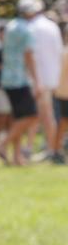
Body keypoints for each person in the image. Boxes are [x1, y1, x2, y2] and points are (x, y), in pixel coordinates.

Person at [0, 0, 40, 166]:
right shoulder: (26, 30)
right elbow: (29, 57)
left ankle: (17, 157)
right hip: (19, 79)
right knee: (31, 115)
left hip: (7, 78)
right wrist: (37, 81)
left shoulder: (10, 26)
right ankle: (2, 144)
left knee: (18, 117)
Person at [25, 0, 65, 162]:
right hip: (51, 78)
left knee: (44, 115)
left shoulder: (30, 27)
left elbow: (29, 55)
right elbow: (58, 52)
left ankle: (50, 148)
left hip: (37, 79)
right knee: (43, 115)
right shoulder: (52, 27)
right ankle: (40, 147)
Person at [54, 22, 68, 159]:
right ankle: (57, 150)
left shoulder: (62, 51)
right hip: (65, 93)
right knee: (63, 123)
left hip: (61, 92)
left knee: (63, 123)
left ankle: (57, 149)